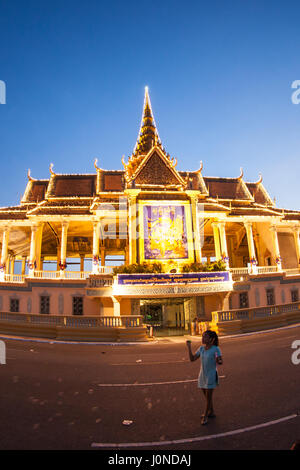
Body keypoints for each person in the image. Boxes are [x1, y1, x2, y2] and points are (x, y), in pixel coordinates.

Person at [186, 330, 223, 425]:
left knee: (208, 397)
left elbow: (220, 360)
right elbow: (192, 359)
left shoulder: (216, 349)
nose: (203, 338)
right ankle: (212, 412)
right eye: (202, 336)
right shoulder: (201, 349)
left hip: (211, 375)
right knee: (207, 397)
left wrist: (218, 360)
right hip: (202, 375)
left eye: (205, 336)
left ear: (211, 339)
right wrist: (189, 347)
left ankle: (206, 416)